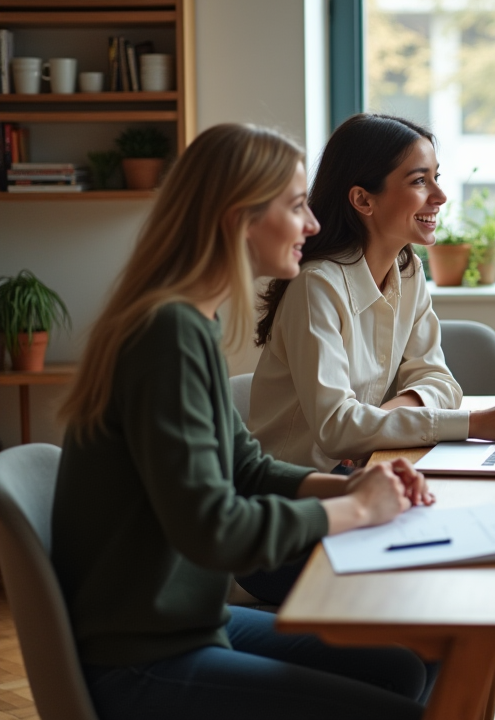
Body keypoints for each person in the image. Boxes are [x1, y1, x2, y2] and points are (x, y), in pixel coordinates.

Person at [53, 124, 437, 720]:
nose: (312, 225)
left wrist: (351, 486)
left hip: (193, 623)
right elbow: (214, 526)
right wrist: (353, 512)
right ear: (239, 219)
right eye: (296, 206)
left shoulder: (188, 325)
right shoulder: (165, 335)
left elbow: (247, 466)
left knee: (403, 666)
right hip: (142, 655)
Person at [252, 113, 495, 476]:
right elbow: (337, 431)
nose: (441, 196)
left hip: (365, 466)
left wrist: (380, 418)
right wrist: (473, 424)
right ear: (363, 200)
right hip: (298, 485)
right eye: (419, 181)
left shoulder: (408, 269)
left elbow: (442, 383)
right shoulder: (316, 286)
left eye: (436, 177)